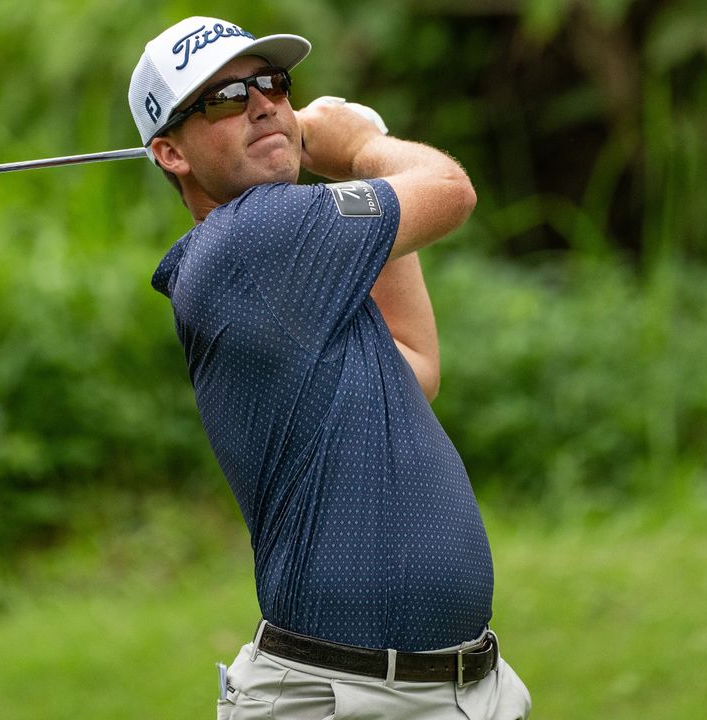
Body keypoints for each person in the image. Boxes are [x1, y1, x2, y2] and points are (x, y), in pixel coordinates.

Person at [128, 16, 532, 720]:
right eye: (224, 100)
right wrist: (363, 145)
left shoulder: (295, 278)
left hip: (464, 692)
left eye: (272, 85)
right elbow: (449, 190)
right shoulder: (254, 239)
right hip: (336, 700)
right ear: (171, 152)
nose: (262, 105)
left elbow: (415, 362)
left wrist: (351, 169)